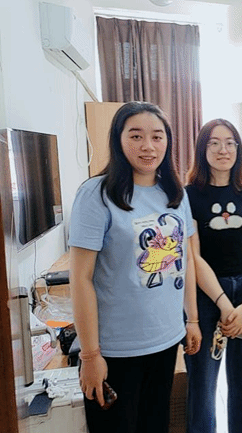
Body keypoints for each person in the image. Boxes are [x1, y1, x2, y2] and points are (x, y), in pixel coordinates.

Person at [68, 101, 217, 433]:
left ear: (168, 142)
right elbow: (80, 278)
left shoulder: (174, 193)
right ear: (118, 140)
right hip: (115, 350)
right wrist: (90, 355)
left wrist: (191, 319)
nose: (148, 146)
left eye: (157, 136)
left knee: (155, 425)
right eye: (136, 136)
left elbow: (185, 261)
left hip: (165, 341)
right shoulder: (96, 194)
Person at [183, 119, 242, 433]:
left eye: (230, 142)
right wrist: (223, 304)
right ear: (202, 150)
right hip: (205, 296)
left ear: (238, 149)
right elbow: (194, 256)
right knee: (203, 384)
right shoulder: (189, 195)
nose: (223, 149)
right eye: (214, 143)